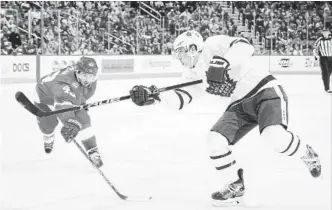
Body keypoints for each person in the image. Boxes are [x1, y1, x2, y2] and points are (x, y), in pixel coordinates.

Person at [128, 31, 321, 206]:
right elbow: (181, 99)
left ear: (192, 48)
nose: (179, 59)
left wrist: (222, 61)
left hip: (265, 90)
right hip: (239, 103)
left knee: (273, 136)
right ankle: (234, 185)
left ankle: (307, 153)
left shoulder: (212, 45)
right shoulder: (191, 73)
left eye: (180, 53)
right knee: (214, 140)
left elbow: (245, 46)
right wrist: (156, 97)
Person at [34, 56, 103, 168]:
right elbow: (63, 108)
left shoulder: (90, 80)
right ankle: (48, 137)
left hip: (68, 95)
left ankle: (92, 150)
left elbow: (81, 95)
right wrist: (70, 122)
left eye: (91, 76)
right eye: (85, 75)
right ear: (77, 71)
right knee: (48, 125)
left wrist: (81, 106)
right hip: (45, 98)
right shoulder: (63, 83)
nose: (87, 79)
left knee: (83, 118)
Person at [314, 28, 332, 93]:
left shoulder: (331, 39)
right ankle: (327, 88)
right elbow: (315, 48)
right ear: (322, 33)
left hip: (331, 58)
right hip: (323, 58)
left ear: (329, 32)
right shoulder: (319, 40)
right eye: (324, 32)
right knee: (325, 72)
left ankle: (325, 79)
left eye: (326, 32)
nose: (325, 33)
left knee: (329, 72)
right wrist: (315, 56)